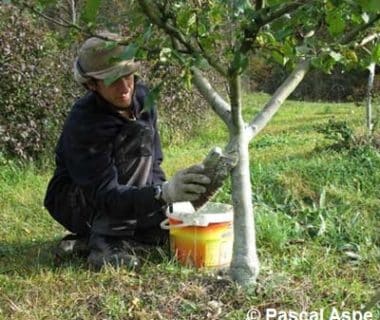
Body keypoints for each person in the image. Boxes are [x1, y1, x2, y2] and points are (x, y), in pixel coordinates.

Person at [44, 32, 211, 270]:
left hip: (119, 194)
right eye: (113, 80)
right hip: (76, 199)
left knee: (165, 232)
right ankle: (106, 242)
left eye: (128, 75)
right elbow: (104, 194)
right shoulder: (85, 122)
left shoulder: (143, 100)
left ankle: (88, 242)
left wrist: (168, 203)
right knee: (135, 134)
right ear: (92, 84)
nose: (125, 88)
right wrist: (161, 194)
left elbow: (153, 163)